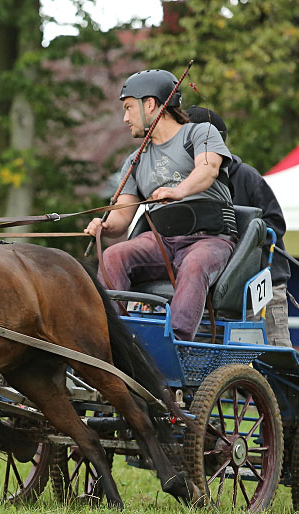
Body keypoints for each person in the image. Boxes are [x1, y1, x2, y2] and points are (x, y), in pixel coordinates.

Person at [85, 69, 236, 341]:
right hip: (162, 242)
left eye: (129, 107)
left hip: (209, 239)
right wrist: (104, 226)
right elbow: (123, 216)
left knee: (195, 264)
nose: (125, 118)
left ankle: (175, 343)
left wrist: (179, 191)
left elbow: (209, 168)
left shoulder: (200, 132)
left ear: (151, 104)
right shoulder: (135, 159)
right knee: (113, 256)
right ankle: (114, 338)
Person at [186, 106, 291, 347]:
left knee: (273, 357)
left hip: (260, 286)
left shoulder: (246, 176)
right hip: (216, 290)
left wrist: (234, 237)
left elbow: (275, 224)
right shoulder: (187, 183)